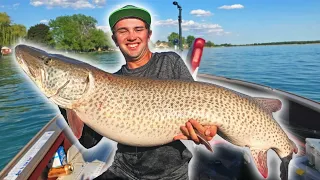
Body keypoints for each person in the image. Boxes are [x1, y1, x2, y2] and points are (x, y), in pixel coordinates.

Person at [60, 4, 218, 180]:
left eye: (138, 29)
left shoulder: (170, 62)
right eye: (123, 31)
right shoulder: (112, 81)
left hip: (170, 173)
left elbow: (197, 105)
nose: (131, 36)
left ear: (148, 34)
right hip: (124, 170)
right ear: (114, 38)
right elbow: (89, 142)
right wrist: (63, 100)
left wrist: (204, 131)